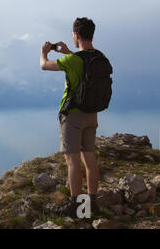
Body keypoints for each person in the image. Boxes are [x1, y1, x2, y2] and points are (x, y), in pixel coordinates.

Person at [40, 17, 103, 217]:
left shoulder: (72, 60)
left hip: (73, 116)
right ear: (91, 34)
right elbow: (80, 62)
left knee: (73, 161)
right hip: (92, 114)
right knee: (90, 158)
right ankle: (92, 204)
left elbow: (44, 65)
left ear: (76, 34)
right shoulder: (99, 57)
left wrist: (43, 53)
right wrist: (67, 51)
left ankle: (76, 207)